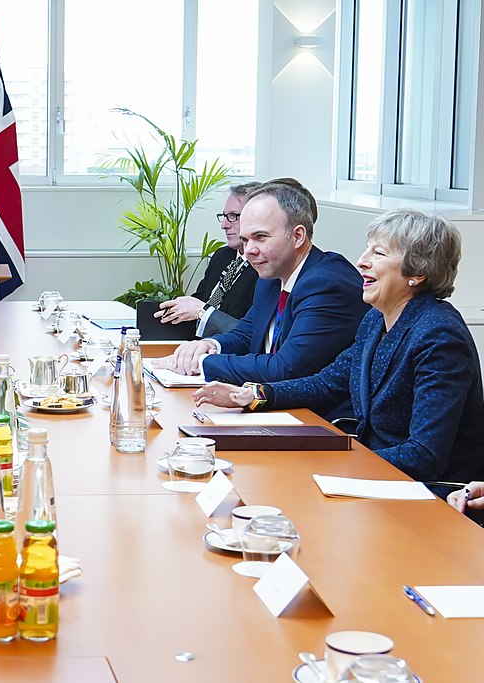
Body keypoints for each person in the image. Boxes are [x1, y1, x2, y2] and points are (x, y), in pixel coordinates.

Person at [195, 210, 484, 492]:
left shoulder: (438, 335)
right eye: (366, 250)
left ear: (418, 272)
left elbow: (424, 455)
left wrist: (335, 460)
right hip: (372, 475)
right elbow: (329, 382)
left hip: (427, 493)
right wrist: (254, 395)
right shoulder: (376, 319)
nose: (362, 262)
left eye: (378, 254)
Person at [153, 182, 367, 413]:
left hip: (319, 419)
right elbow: (246, 335)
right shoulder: (270, 278)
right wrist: (209, 345)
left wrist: (202, 363)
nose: (248, 251)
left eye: (260, 237)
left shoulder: (327, 282)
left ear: (297, 236)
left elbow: (284, 368)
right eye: (245, 240)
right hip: (270, 405)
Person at [154, 182, 261, 336]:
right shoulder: (222, 255)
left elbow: (251, 334)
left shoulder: (263, 268)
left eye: (233, 216)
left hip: (229, 351)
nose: (224, 225)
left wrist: (203, 312)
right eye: (224, 216)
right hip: (195, 342)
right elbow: (200, 299)